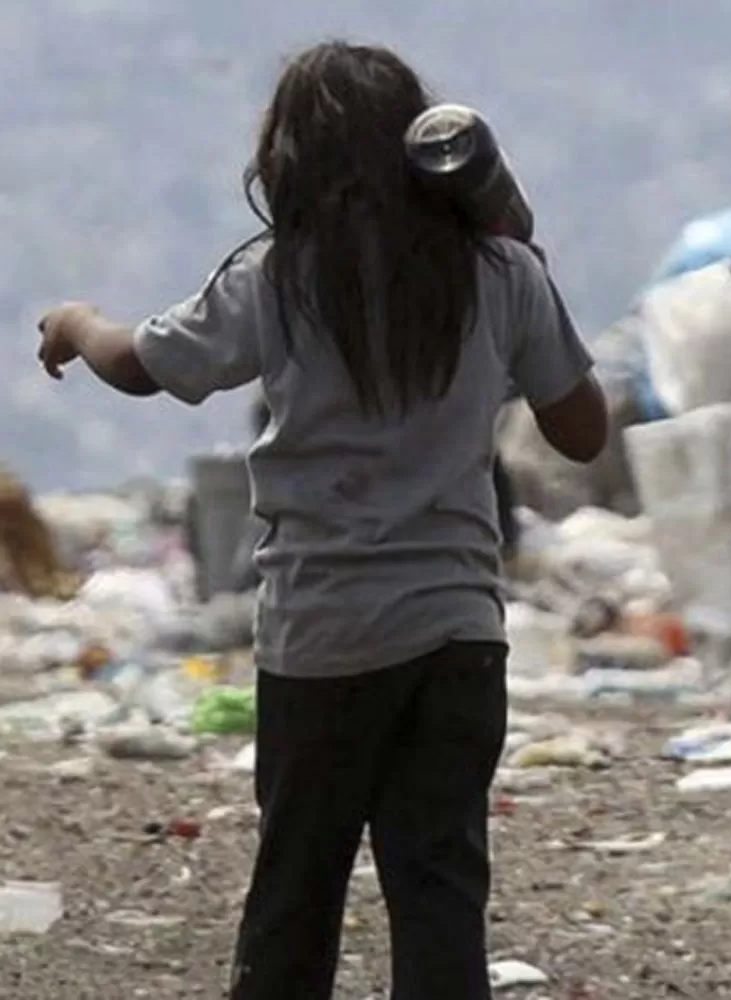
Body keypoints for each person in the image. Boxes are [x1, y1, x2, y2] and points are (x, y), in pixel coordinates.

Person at [35, 41, 607, 1000]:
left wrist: (76, 321)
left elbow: (142, 364)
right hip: (459, 636)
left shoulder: (278, 276)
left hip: (322, 639)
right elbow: (583, 431)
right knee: (439, 901)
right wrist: (518, 245)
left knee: (296, 899)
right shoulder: (500, 272)